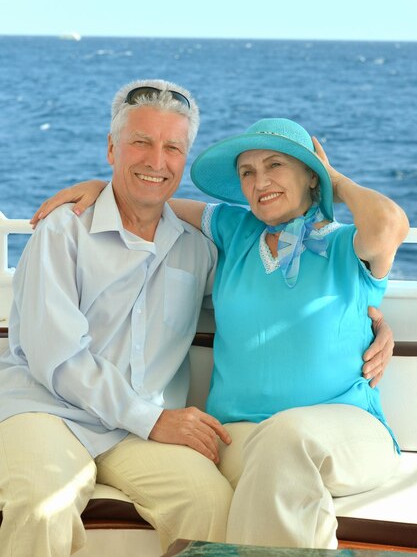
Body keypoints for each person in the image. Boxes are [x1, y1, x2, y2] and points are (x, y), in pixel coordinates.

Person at [33, 116, 408, 548]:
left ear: (309, 176)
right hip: (240, 436)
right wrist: (103, 185)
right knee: (272, 456)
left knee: (286, 441)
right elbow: (152, 199)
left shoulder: (345, 246)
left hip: (346, 430)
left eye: (276, 166)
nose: (260, 180)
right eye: (247, 172)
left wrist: (332, 179)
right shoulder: (236, 231)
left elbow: (388, 226)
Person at [0, 79, 234, 557]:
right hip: (48, 411)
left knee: (211, 501)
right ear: (112, 148)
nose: (156, 161)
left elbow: (264, 292)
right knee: (41, 505)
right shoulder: (63, 232)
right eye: (141, 142)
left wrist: (372, 317)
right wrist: (152, 419)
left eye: (172, 147)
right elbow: (57, 358)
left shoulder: (198, 248)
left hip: (135, 431)